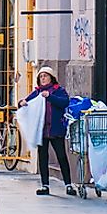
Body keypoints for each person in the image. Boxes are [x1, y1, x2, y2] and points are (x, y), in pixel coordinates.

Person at [19, 66, 72, 196]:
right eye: (41, 76)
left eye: (45, 76)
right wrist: (22, 102)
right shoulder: (37, 92)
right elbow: (27, 101)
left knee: (61, 156)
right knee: (43, 158)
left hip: (56, 129)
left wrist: (50, 97)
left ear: (51, 78)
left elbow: (64, 102)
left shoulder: (58, 90)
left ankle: (68, 184)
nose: (43, 78)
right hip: (41, 131)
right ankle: (45, 185)